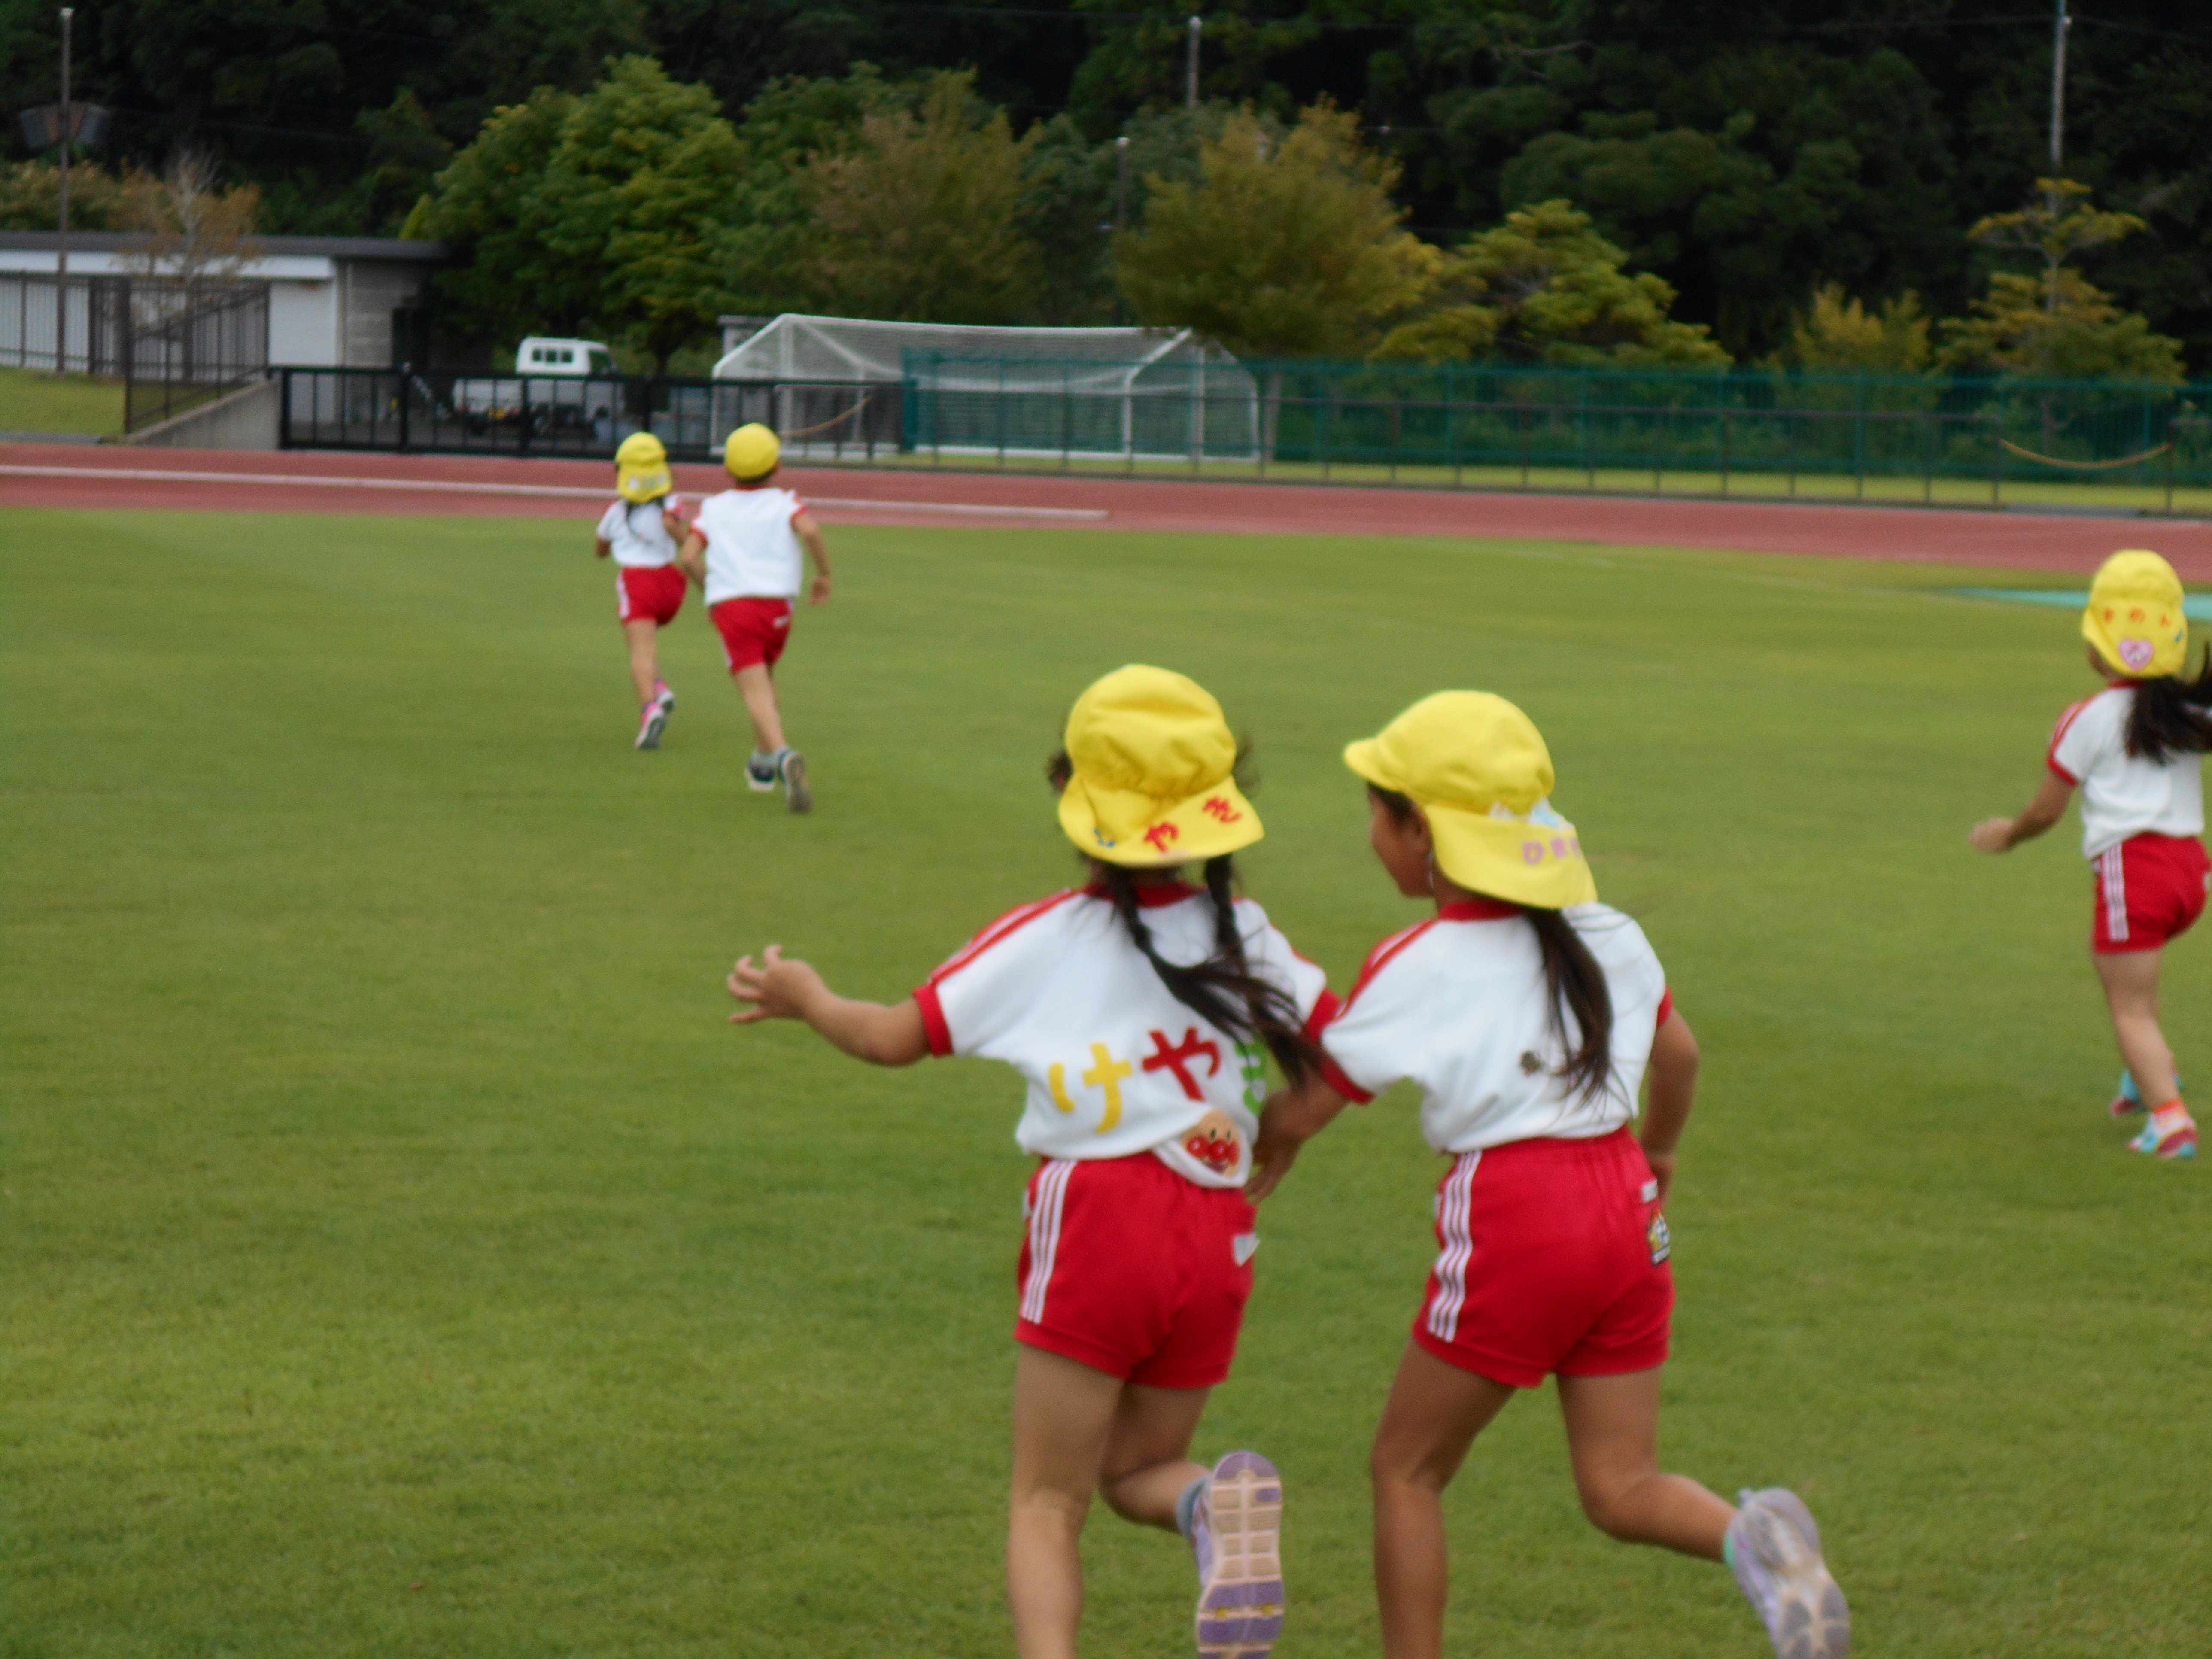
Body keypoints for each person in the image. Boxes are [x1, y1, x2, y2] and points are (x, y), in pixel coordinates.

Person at [727, 665, 1339, 1659]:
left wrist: (810, 997)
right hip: (1218, 1230)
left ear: (1071, 790)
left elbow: (895, 1036)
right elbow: (1355, 1054)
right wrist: (1287, 1126)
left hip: (1101, 1216)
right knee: (1143, 1464)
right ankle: (1205, 1508)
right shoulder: (1249, 934)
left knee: (1046, 1502)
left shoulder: (1049, 935)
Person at [1246, 691, 1850, 1659]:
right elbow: (1681, 1059)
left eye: (1378, 809)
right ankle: (1750, 1538)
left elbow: (1305, 1110)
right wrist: (1656, 1155)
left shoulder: (1422, 958)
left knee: (1405, 1471)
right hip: (1625, 1211)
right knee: (1619, 1484)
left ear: (1424, 835)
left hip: (1520, 1213)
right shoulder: (1607, 931)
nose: (1372, 832)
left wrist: (1225, 1130)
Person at [1971, 549, 2209, 1160]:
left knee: (2126, 1001)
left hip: (2136, 875)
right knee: (2133, 986)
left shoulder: (2088, 718)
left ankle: (2170, 1121)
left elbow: (2047, 811)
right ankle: (2146, 1075)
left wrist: (2008, 834)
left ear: (2101, 643)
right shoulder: (2187, 712)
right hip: (2191, 875)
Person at [678, 422, 831, 812]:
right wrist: (824, 576)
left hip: (735, 608)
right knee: (766, 683)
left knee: (754, 693)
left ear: (727, 469)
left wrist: (709, 591)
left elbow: (688, 556)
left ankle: (782, 756)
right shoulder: (785, 502)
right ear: (777, 466)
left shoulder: (714, 508)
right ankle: (762, 765)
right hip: (778, 609)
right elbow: (810, 530)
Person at [593, 431, 687, 750]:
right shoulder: (671, 504)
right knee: (647, 643)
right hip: (671, 586)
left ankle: (650, 709)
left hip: (638, 584)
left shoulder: (616, 511)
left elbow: (601, 549)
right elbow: (678, 531)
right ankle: (659, 686)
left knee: (639, 651)